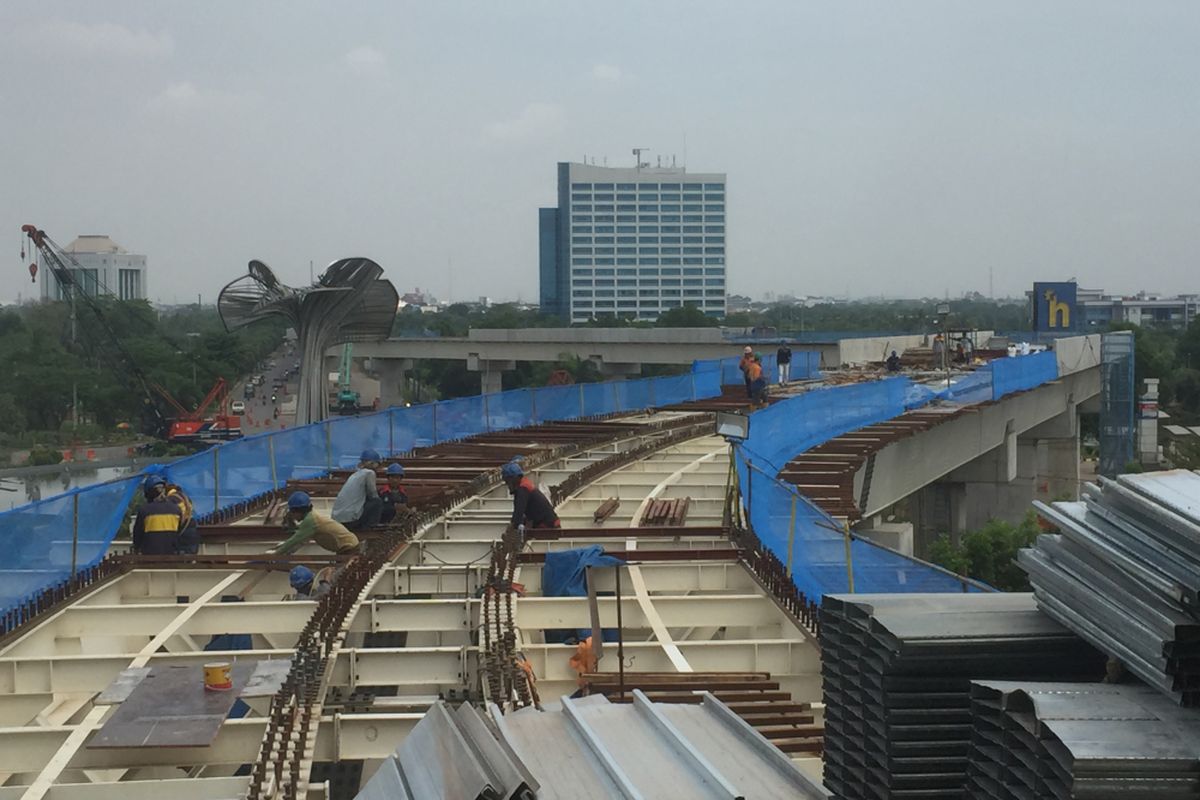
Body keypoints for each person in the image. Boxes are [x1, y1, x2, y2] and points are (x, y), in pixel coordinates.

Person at [279, 491, 360, 554]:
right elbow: (301, 537)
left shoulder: (310, 521)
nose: (293, 516)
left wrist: (276, 553)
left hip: (349, 548)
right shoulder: (312, 516)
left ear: (298, 511)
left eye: (293, 513)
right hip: (349, 545)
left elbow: (294, 540)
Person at [501, 461, 559, 538]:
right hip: (549, 524)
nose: (507, 485)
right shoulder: (524, 485)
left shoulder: (523, 489)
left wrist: (511, 529)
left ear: (513, 478)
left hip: (547, 527)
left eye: (507, 481)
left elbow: (518, 513)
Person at [331, 449, 383, 532]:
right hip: (350, 520)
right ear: (373, 463)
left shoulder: (355, 474)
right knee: (377, 502)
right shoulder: (369, 473)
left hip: (338, 519)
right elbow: (373, 495)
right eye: (378, 464)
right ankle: (368, 529)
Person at [132, 475, 183, 555]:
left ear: (148, 493)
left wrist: (137, 548)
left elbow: (137, 535)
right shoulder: (176, 510)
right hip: (172, 557)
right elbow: (180, 533)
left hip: (149, 557)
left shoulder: (144, 511)